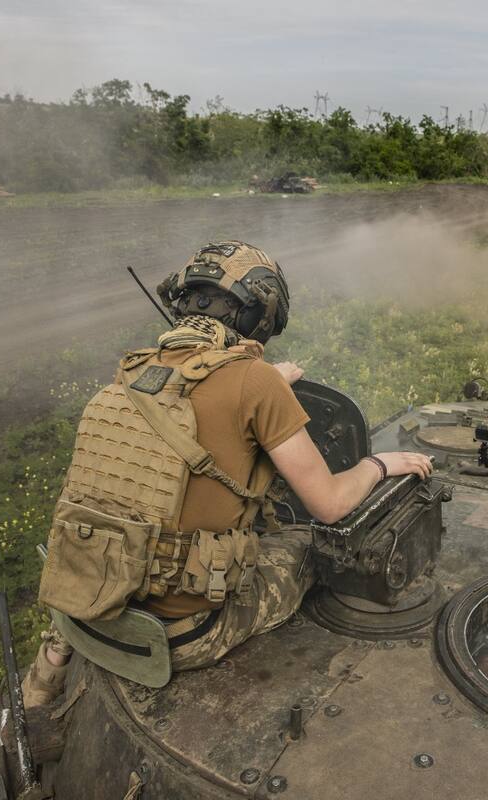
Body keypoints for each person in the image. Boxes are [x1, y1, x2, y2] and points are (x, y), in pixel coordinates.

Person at [24, 241, 432, 706]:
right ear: (258, 316)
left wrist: (267, 380)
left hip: (91, 609)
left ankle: (49, 666)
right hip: (183, 636)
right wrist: (378, 465)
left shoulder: (133, 373)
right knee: (309, 544)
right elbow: (331, 504)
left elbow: (198, 396)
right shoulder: (256, 382)